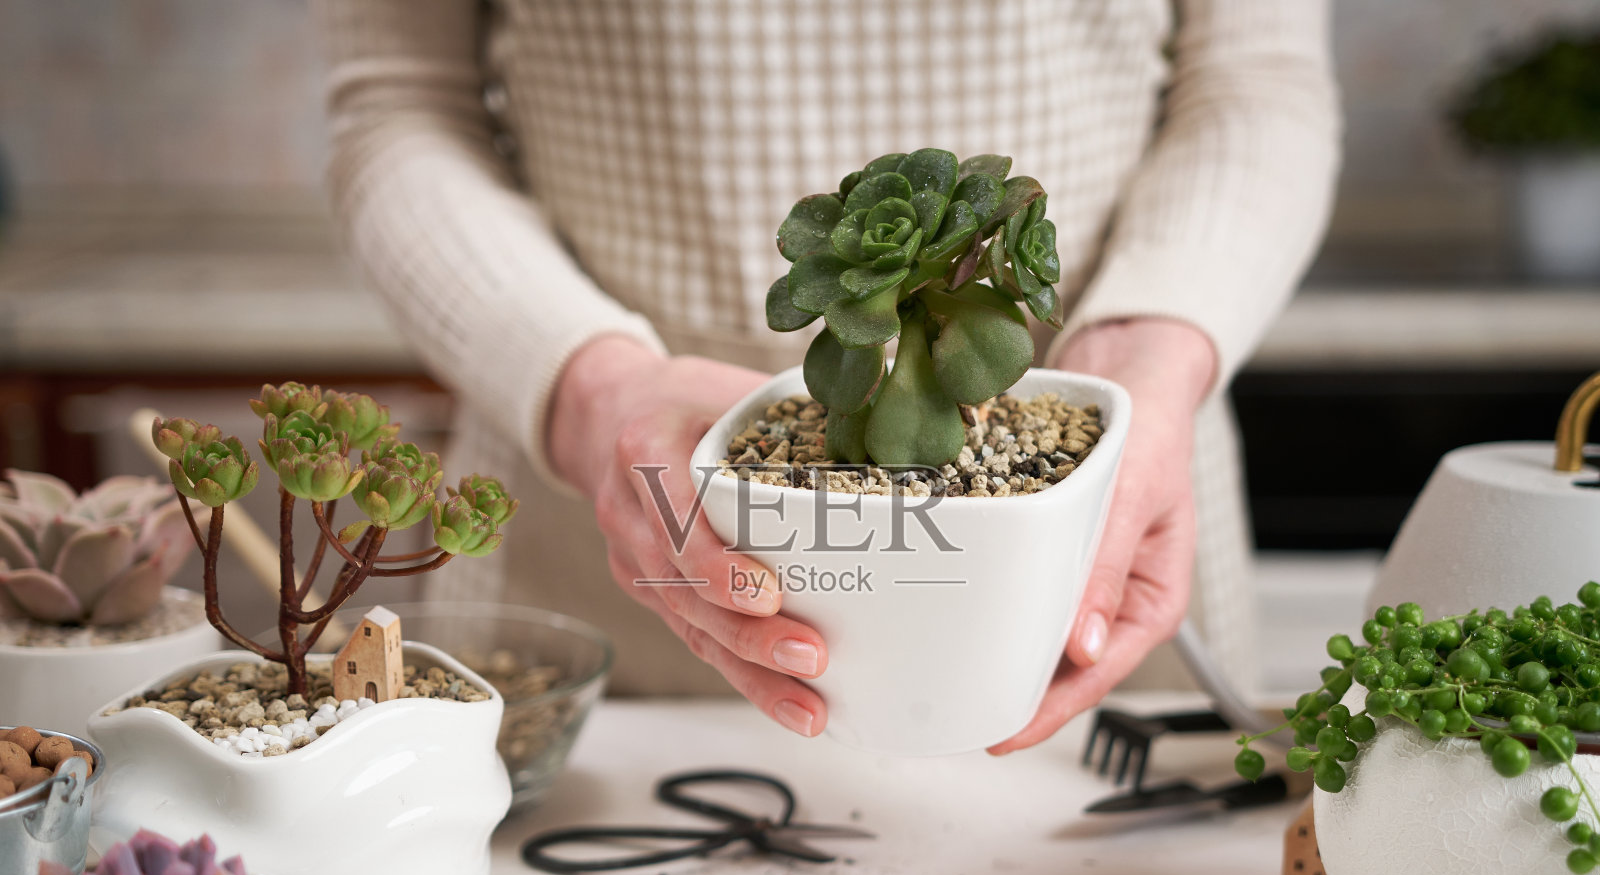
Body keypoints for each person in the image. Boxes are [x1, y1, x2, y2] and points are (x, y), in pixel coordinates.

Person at [317, 0, 1340, 751]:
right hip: (622, 535)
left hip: (1093, 542)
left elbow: (1255, 78)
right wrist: (590, 386)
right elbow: (401, 104)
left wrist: (1153, 345)